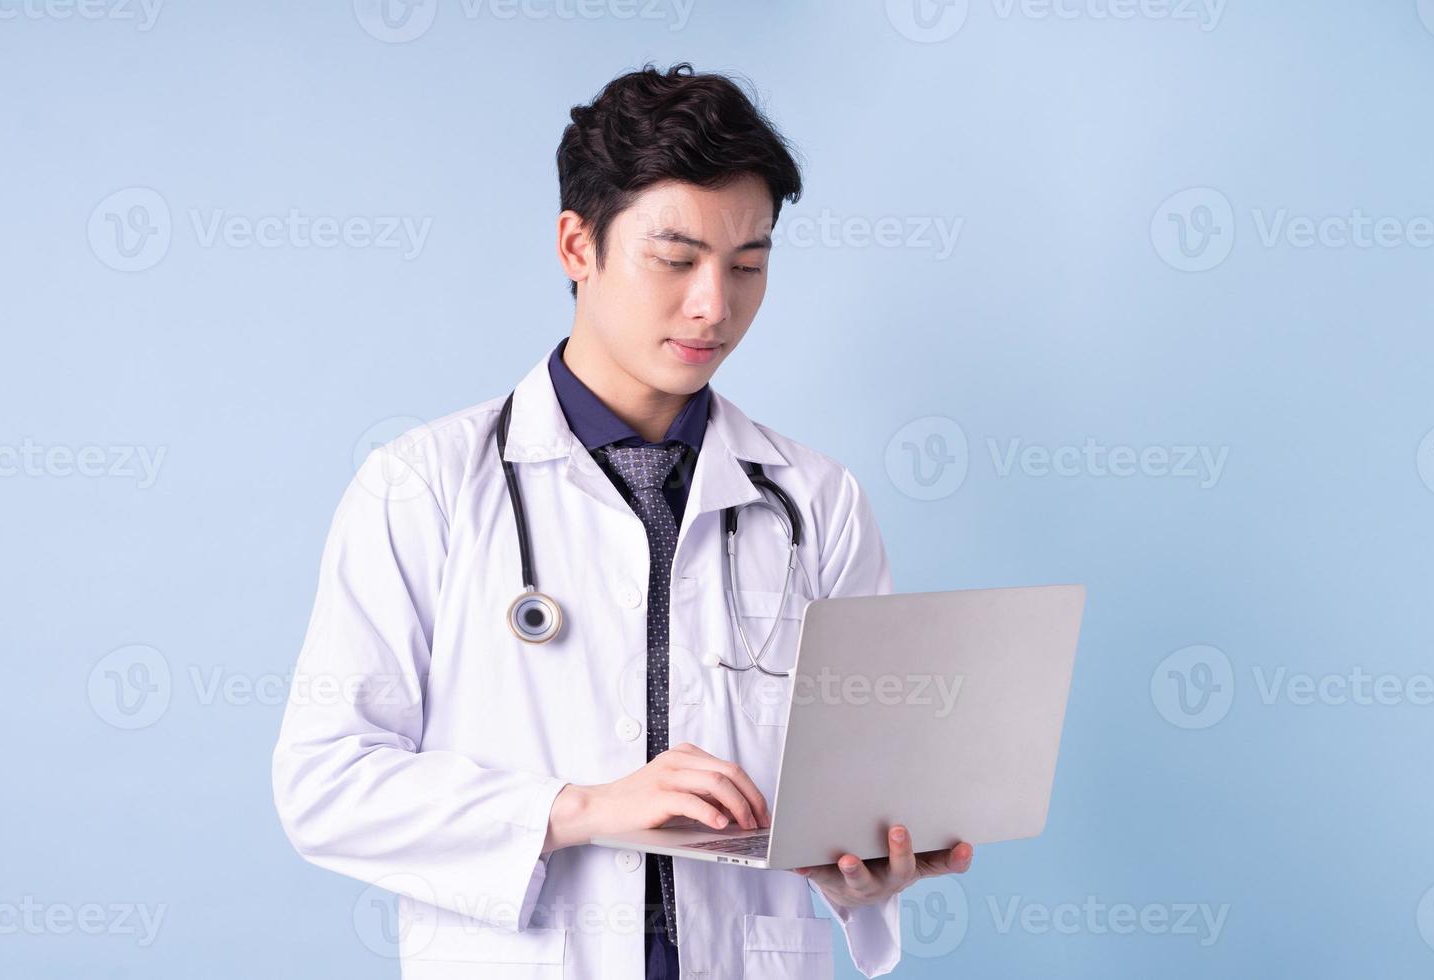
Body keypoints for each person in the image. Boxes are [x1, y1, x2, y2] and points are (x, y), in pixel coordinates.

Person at [271, 62, 972, 980]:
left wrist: (863, 872)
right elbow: (327, 782)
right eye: (675, 260)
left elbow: (856, 785)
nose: (713, 306)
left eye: (748, 264)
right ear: (576, 245)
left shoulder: (814, 501)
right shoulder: (423, 487)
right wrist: (581, 807)